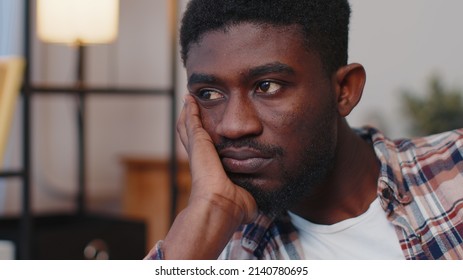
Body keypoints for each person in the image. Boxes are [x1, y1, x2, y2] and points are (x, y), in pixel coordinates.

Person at [145, 0, 463, 260]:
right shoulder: (213, 252)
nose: (233, 126)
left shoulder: (455, 170)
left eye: (267, 86)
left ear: (344, 91)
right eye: (209, 94)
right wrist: (212, 210)